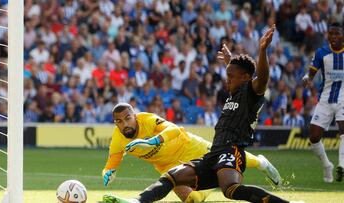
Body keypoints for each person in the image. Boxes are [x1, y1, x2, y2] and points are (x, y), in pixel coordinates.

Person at [103, 25, 299, 203]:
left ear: (247, 78)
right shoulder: (235, 93)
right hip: (214, 153)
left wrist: (263, 51)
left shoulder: (252, 93)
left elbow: (261, 78)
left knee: (231, 189)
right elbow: (239, 75)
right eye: (227, 76)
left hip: (231, 151)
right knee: (171, 176)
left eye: (230, 77)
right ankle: (137, 201)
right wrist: (230, 62)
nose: (227, 81)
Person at [102, 103, 282, 203]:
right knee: (192, 200)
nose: (125, 124)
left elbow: (173, 130)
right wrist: (108, 173)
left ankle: (260, 163)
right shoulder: (118, 139)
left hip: (189, 146)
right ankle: (210, 185)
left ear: (134, 116)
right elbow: (112, 163)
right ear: (115, 123)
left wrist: (151, 141)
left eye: (127, 118)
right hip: (168, 165)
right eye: (119, 121)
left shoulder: (147, 119)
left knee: (227, 157)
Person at [302, 22, 344, 183]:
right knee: (313, 136)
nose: (333, 37)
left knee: (343, 130)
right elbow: (311, 73)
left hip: (343, 99)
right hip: (325, 99)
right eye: (331, 34)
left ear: (342, 36)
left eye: (337, 34)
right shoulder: (321, 53)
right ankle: (327, 166)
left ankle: (342, 165)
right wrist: (307, 78)